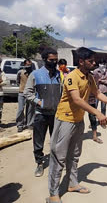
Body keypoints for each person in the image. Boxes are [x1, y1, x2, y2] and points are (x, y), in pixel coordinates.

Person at [47, 47, 107, 203]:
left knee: (74, 155)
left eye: (94, 60)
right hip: (65, 120)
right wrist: (98, 113)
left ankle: (72, 184)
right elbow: (77, 99)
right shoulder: (72, 77)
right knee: (58, 157)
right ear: (81, 61)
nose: (94, 63)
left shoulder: (89, 77)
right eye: (91, 61)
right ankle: (53, 194)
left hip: (78, 121)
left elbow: (97, 94)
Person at [24, 48, 62, 177]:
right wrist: (39, 102)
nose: (54, 62)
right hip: (41, 114)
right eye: (52, 60)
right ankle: (39, 163)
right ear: (44, 59)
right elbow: (27, 93)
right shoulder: (35, 74)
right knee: (38, 140)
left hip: (56, 114)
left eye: (56, 60)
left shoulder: (59, 75)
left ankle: (55, 162)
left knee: (56, 140)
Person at [16, 59, 35, 132]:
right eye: (27, 64)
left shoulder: (33, 73)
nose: (28, 66)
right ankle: (20, 124)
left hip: (31, 93)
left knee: (30, 109)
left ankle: (29, 124)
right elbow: (18, 81)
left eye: (29, 65)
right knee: (20, 109)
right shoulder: (20, 72)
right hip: (21, 93)